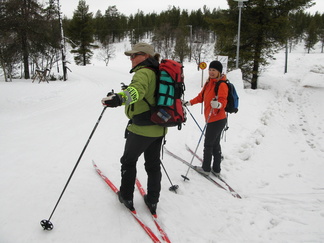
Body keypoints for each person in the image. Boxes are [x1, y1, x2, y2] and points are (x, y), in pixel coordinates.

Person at [101, 42, 165, 214]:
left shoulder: (143, 72)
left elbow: (137, 91)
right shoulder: (159, 71)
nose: (131, 58)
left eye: (134, 55)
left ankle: (126, 196)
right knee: (153, 165)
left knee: (128, 162)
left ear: (145, 56)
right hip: (159, 127)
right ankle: (153, 200)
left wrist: (118, 99)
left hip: (141, 129)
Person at [184, 61, 228, 176]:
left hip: (217, 119)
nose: (211, 72)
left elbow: (223, 101)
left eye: (214, 70)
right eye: (210, 70)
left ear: (219, 72)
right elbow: (200, 97)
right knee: (215, 144)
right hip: (212, 119)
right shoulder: (209, 83)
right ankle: (216, 169)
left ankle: (206, 168)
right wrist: (189, 103)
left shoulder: (222, 84)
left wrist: (218, 105)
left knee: (208, 144)